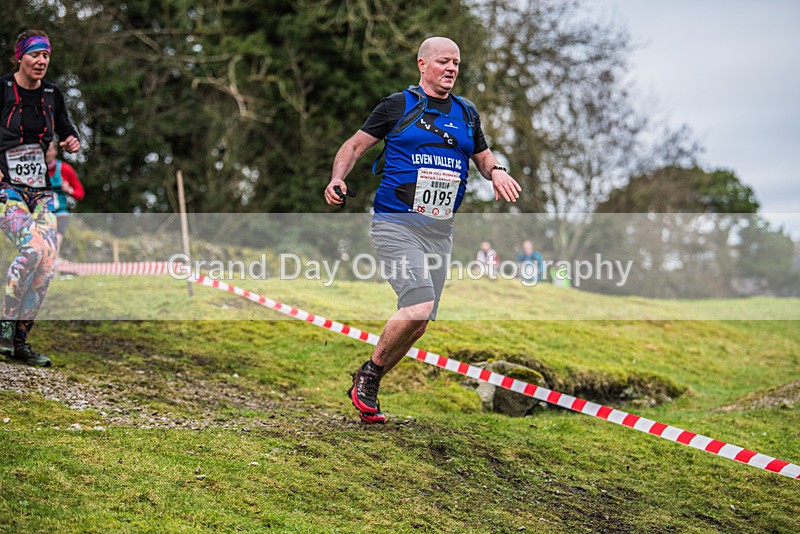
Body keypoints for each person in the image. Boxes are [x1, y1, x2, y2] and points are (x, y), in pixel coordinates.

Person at [324, 36, 521, 423]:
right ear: (422, 64)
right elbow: (354, 146)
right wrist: (336, 179)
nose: (451, 69)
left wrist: (496, 172)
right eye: (444, 61)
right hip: (395, 225)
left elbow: (482, 155)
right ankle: (368, 375)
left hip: (439, 234)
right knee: (418, 306)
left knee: (417, 326)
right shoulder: (399, 105)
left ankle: (371, 378)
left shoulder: (466, 113)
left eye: (457, 63)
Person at [0, 30, 81, 366]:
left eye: (46, 56)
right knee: (32, 248)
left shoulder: (52, 94)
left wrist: (72, 140)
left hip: (41, 191)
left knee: (48, 262)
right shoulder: (3, 88)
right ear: (20, 57)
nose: (41, 61)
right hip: (7, 189)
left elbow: (66, 127)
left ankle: (20, 342)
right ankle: (4, 326)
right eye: (35, 55)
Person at [45, 139, 85, 256]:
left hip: (60, 213)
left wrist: (69, 190)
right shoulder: (35, 170)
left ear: (55, 152)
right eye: (44, 149)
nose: (46, 153)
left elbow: (80, 193)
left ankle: (52, 264)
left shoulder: (65, 169)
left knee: (57, 239)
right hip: (43, 213)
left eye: (49, 149)